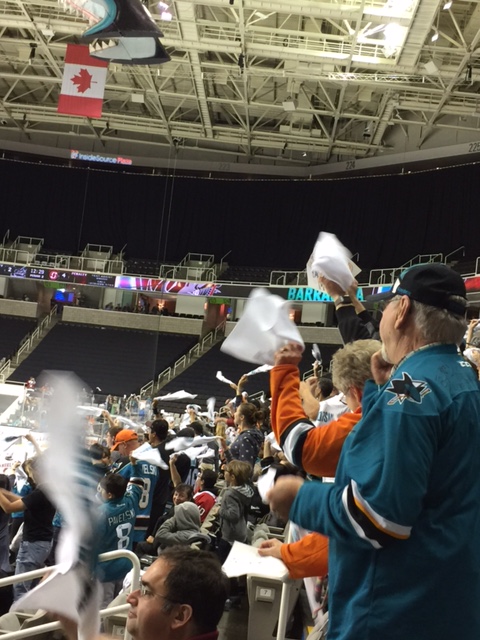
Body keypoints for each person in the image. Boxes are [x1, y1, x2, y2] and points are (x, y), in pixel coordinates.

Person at [268, 263, 480, 640]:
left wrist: (301, 499)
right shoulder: (462, 373)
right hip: (447, 597)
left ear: (402, 311)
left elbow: (379, 518)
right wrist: (382, 389)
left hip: (391, 609)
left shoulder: (409, 390)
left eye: (386, 306)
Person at [0, 457, 55, 601]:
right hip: (44, 543)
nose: (30, 476)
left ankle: (19, 613)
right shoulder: (49, 489)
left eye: (31, 472)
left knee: (20, 587)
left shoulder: (41, 492)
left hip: (33, 545)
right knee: (32, 584)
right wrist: (4, 493)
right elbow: (22, 501)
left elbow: (9, 508)